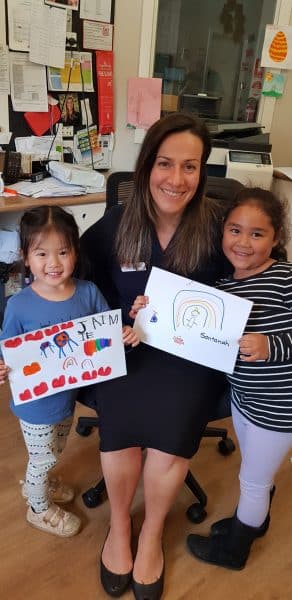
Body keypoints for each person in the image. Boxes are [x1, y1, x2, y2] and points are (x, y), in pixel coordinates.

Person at [80, 112, 228, 599]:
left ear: (203, 171)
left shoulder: (216, 227)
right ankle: (120, 527)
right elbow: (76, 277)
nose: (177, 178)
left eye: (191, 166)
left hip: (188, 357)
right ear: (146, 167)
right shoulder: (117, 224)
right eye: (166, 163)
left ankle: (150, 534)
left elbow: (258, 275)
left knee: (177, 421)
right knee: (119, 414)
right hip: (125, 346)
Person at [0, 205, 139, 539]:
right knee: (42, 458)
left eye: (63, 252)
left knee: (56, 447)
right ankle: (38, 507)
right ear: (25, 257)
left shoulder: (88, 292)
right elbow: (7, 346)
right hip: (35, 405)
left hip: (67, 397)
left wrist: (125, 332)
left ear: (76, 252)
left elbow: (106, 330)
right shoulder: (19, 305)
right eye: (42, 253)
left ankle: (41, 483)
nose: (54, 263)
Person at [187, 187, 292, 570]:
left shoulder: (285, 278)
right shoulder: (223, 289)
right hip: (244, 399)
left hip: (280, 406)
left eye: (257, 234)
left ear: (276, 238)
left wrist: (271, 346)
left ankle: (234, 550)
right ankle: (255, 519)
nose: (243, 242)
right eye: (235, 230)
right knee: (253, 469)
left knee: (252, 480)